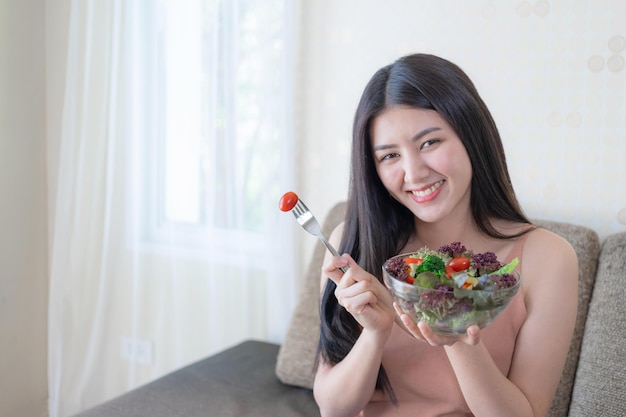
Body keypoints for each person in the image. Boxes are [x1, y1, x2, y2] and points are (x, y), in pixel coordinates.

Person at [313, 53, 578, 417]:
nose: (414, 173)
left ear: (471, 136)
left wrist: (458, 339)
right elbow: (333, 409)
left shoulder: (547, 257)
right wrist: (375, 334)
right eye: (390, 156)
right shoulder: (351, 244)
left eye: (429, 143)